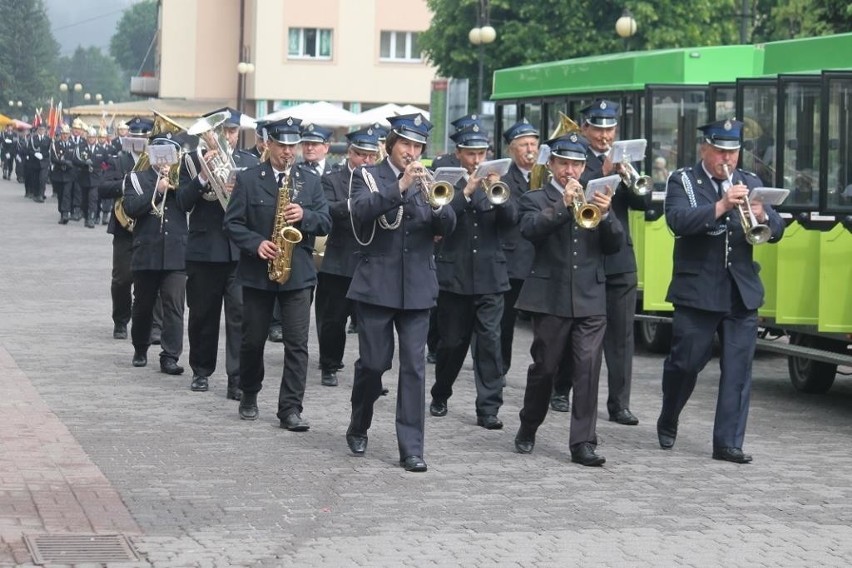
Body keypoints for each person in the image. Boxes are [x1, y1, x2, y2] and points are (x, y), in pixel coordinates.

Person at [657, 119, 785, 464]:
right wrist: (722, 206)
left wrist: (765, 216)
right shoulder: (683, 179)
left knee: (739, 371)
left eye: (733, 152)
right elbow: (678, 222)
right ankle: (669, 414)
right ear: (705, 149)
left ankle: (727, 443)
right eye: (720, 151)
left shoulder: (751, 182)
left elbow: (777, 228)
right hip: (697, 289)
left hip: (740, 290)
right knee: (686, 364)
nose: (727, 159)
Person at [345, 113, 457, 472]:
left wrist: (440, 207)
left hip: (418, 288)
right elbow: (361, 211)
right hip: (377, 284)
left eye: (417, 146)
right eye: (406, 144)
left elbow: (449, 225)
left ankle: (411, 447)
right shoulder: (367, 175)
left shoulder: (431, 179)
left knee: (414, 369)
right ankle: (359, 422)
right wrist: (400, 187)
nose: (412, 152)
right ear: (391, 144)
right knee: (375, 365)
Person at [513, 133, 623, 467]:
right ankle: (529, 424)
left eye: (576, 164)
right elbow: (530, 229)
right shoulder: (537, 197)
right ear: (551, 164)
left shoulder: (598, 196)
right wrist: (562, 206)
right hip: (551, 297)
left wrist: (607, 217)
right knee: (545, 369)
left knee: (588, 370)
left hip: (590, 298)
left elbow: (615, 244)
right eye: (564, 164)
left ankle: (583, 443)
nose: (571, 170)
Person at [223, 116, 331, 430]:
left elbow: (326, 221)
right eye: (281, 145)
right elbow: (232, 224)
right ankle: (250, 393)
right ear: (268, 144)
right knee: (252, 341)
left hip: (297, 274)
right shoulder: (249, 178)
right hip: (258, 273)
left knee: (297, 344)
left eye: (292, 146)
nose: (287, 152)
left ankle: (290, 409)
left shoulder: (309, 180)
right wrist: (256, 244)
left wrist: (306, 215)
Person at [552, 99, 647, 425]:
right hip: (583, 256)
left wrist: (627, 176)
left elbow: (644, 202)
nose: (605, 136)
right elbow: (570, 185)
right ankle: (561, 389)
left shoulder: (625, 160)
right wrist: (602, 172)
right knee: (570, 329)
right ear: (586, 128)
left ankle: (619, 403)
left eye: (610, 129)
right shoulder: (575, 156)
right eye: (599, 129)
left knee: (621, 336)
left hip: (619, 257)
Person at [429, 123, 517, 429]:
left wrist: (498, 192)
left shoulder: (499, 182)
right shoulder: (448, 181)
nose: (476, 160)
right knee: (452, 343)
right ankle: (441, 393)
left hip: (491, 277)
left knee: (490, 343)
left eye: (481, 153)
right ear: (459, 154)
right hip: (455, 276)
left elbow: (511, 220)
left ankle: (488, 408)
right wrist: (466, 192)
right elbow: (440, 218)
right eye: (470, 154)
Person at [177, 107, 259, 399]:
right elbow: (182, 204)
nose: (227, 137)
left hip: (239, 252)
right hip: (204, 250)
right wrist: (201, 178)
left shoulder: (249, 162)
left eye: (232, 131)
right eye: (221, 131)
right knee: (202, 314)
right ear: (209, 133)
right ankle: (201, 370)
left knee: (240, 316)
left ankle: (236, 378)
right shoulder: (190, 160)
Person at [315, 126, 380, 387]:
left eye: (371, 156)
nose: (366, 161)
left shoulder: (380, 180)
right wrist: (354, 205)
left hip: (371, 261)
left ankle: (371, 373)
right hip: (339, 261)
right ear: (349, 154)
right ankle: (329, 364)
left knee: (372, 323)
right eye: (361, 155)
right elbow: (327, 210)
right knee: (334, 320)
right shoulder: (331, 179)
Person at [122, 126, 188, 375]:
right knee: (143, 305)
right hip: (147, 251)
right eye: (161, 151)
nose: (165, 156)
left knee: (174, 305)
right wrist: (157, 189)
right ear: (151, 153)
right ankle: (140, 347)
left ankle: (170, 356)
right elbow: (131, 207)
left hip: (176, 253)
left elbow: (190, 202)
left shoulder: (183, 180)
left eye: (171, 152)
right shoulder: (136, 179)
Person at [99, 116, 152, 340]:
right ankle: (120, 320)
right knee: (122, 278)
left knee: (149, 280)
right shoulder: (117, 160)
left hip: (148, 225)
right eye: (134, 136)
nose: (138, 140)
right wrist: (126, 184)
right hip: (124, 228)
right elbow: (103, 187)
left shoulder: (156, 161)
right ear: (128, 137)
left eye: (142, 137)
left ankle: (150, 325)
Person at [498, 119, 539, 382]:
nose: (530, 150)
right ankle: (499, 369)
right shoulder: (503, 178)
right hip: (513, 260)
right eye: (524, 145)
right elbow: (509, 216)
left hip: (542, 261)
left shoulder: (547, 174)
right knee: (505, 323)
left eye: (534, 144)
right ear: (512, 149)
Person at [50, 125, 76, 224]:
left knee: (67, 194)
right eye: (63, 134)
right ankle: (62, 212)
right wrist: (64, 162)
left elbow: (75, 158)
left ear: (69, 134)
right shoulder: (55, 144)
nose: (65, 136)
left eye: (67, 134)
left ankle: (65, 213)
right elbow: (53, 158)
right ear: (61, 134)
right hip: (58, 174)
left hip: (69, 174)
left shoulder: (73, 145)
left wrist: (70, 163)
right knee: (60, 195)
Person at [24, 123, 50, 202]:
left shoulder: (48, 139)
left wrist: (43, 155)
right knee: (35, 179)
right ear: (37, 130)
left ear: (45, 130)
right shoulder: (32, 139)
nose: (41, 131)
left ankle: (41, 195)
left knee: (43, 179)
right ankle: (36, 194)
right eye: (40, 129)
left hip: (44, 162)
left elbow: (50, 151)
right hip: (34, 162)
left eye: (43, 129)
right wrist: (35, 153)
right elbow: (28, 149)